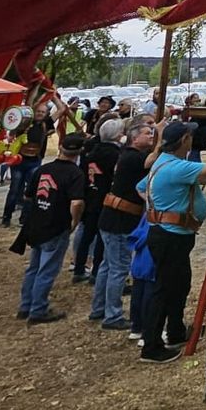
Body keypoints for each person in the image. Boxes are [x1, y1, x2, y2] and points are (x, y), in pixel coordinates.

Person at [137, 119, 206, 366]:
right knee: (164, 288)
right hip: (170, 236)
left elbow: (141, 187)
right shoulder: (176, 167)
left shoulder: (164, 164)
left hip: (171, 234)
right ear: (185, 140)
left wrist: (159, 206)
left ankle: (175, 331)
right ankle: (152, 345)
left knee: (178, 285)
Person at [89, 116, 155, 334]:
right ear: (135, 139)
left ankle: (99, 308)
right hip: (120, 220)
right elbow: (153, 159)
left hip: (111, 217)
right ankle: (113, 314)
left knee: (108, 266)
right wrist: (163, 137)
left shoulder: (127, 155)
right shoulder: (133, 158)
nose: (151, 135)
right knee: (118, 268)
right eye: (147, 133)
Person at [17, 132, 86, 325]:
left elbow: (28, 196)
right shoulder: (75, 173)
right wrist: (74, 221)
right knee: (46, 270)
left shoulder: (43, 169)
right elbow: (77, 202)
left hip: (38, 222)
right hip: (56, 225)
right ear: (79, 152)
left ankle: (26, 305)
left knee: (34, 266)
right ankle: (38, 309)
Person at [72, 115, 122, 284]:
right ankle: (96, 272)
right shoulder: (115, 154)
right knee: (101, 237)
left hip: (91, 194)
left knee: (87, 234)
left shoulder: (91, 151)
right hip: (105, 196)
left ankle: (79, 267)